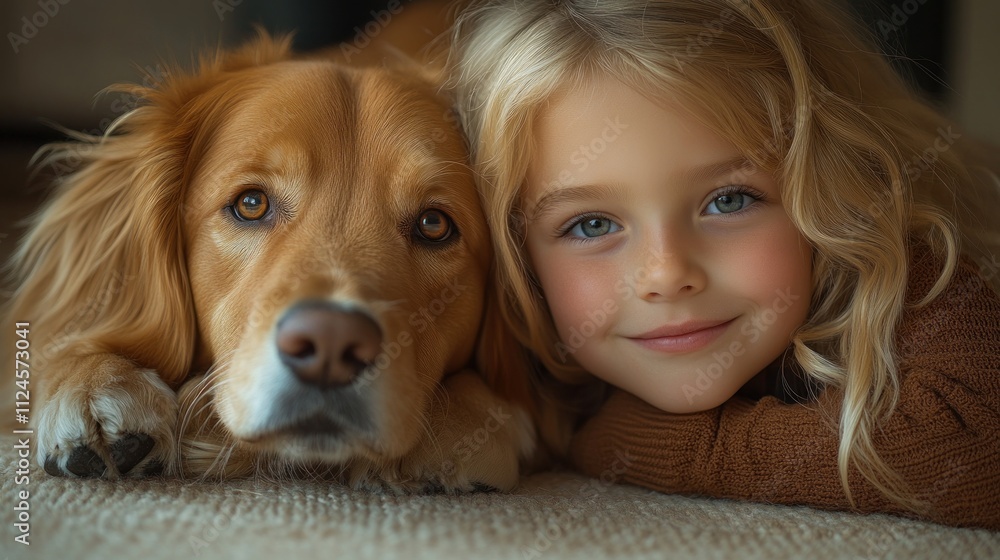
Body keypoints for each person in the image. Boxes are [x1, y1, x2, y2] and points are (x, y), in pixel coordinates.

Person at [446, 0, 1000, 529]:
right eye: (592, 224)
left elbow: (980, 447)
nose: (666, 273)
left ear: (829, 184)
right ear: (519, 258)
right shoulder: (520, 349)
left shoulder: (901, 260)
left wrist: (668, 445)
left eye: (728, 200)